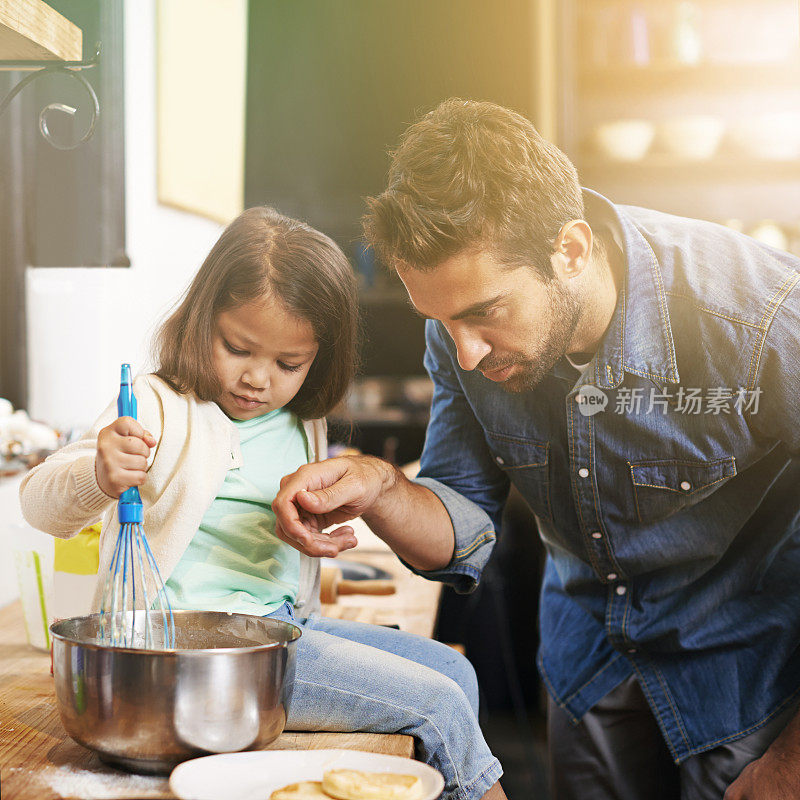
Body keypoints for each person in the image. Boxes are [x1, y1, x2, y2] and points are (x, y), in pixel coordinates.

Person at [272, 99, 800, 800]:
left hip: (747, 681)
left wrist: (791, 766)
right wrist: (382, 489)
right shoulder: (461, 334)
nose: (465, 350)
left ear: (571, 251)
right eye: (440, 320)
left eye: (484, 313)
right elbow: (461, 524)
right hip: (591, 668)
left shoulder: (759, 315)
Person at [19, 206, 505, 800]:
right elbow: (40, 503)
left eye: (288, 364)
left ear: (318, 359)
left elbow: (271, 541)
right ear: (202, 320)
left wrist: (317, 533)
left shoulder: (300, 421)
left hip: (283, 630)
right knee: (437, 704)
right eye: (238, 347)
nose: (258, 379)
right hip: (196, 656)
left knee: (456, 673)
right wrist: (98, 472)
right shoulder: (158, 404)